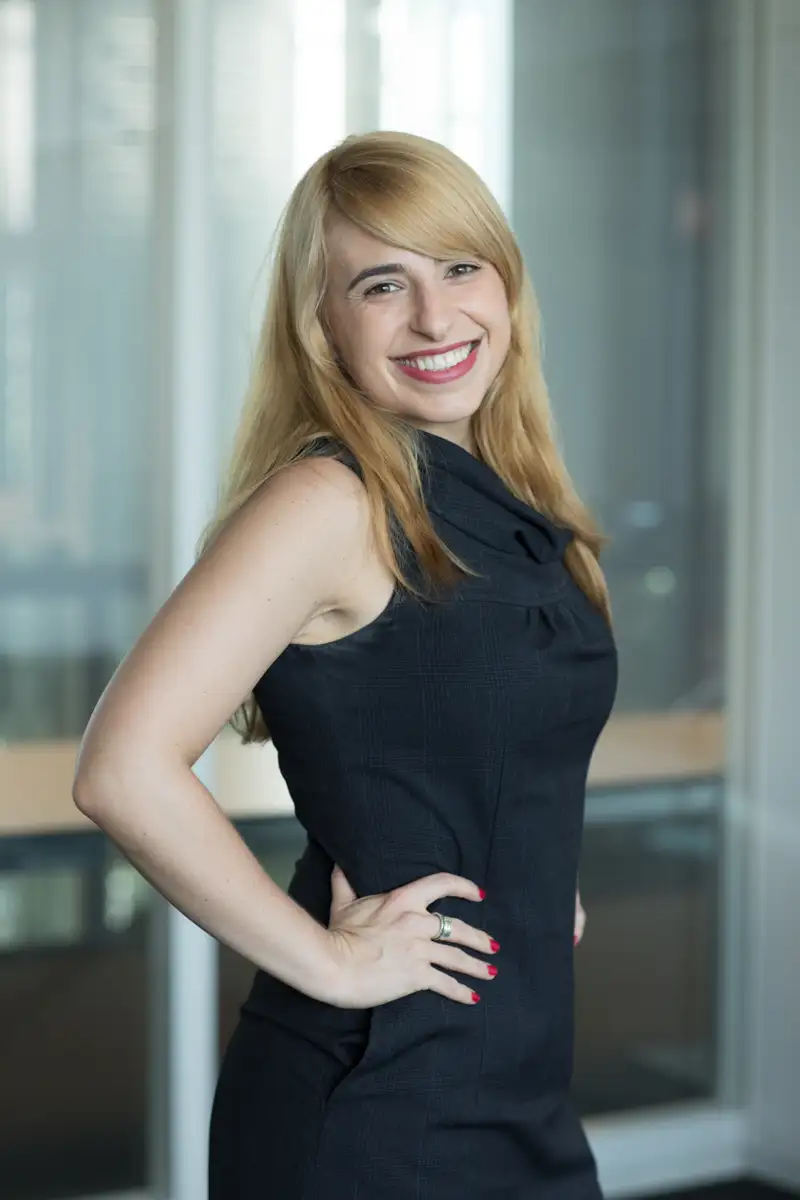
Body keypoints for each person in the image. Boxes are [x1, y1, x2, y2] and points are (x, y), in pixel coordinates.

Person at [72, 130, 617, 1198]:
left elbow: (483, 726)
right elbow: (121, 768)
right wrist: (326, 960)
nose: (433, 315)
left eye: (458, 267)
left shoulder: (506, 502)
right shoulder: (327, 502)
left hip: (514, 1078)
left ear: (503, 283)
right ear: (321, 326)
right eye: (380, 283)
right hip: (377, 1098)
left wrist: (533, 864)